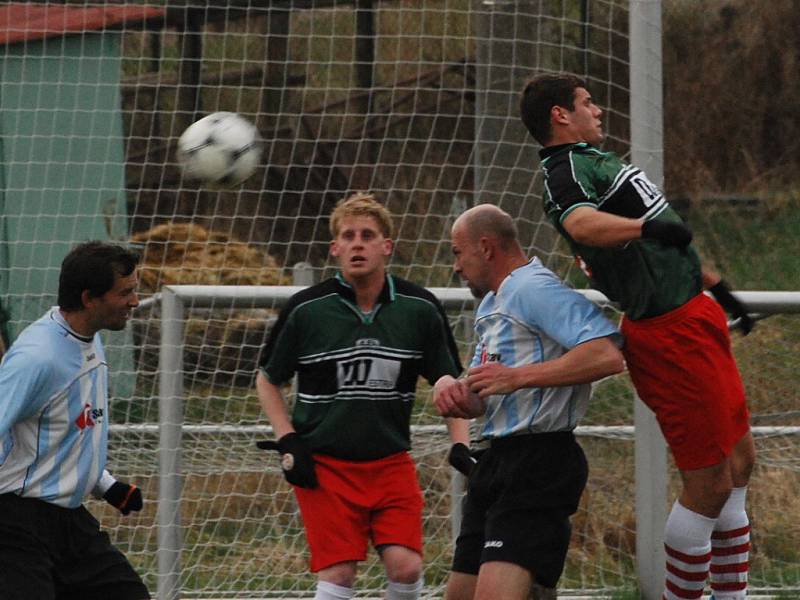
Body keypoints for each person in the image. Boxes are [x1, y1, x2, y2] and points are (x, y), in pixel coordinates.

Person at [519, 73, 756, 600]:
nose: (597, 109)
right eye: (585, 102)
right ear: (560, 115)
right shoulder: (565, 169)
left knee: (741, 464)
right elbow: (581, 225)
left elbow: (661, 237)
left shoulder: (598, 160)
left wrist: (714, 283)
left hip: (695, 315)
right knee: (709, 483)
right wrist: (647, 230)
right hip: (667, 336)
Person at [255, 192, 468, 600]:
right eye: (348, 236)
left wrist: (461, 445)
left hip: (390, 463)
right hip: (326, 465)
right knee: (339, 573)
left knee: (407, 567)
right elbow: (268, 380)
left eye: (367, 235)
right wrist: (288, 439)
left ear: (386, 246)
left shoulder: (418, 308)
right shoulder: (307, 310)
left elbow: (449, 384)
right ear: (334, 248)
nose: (357, 243)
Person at [433, 204, 625, 600]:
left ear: (486, 248)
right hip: (495, 461)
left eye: (457, 252)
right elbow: (487, 393)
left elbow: (607, 354)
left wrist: (517, 377)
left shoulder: (533, 287)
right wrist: (455, 392)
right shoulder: (491, 304)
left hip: (540, 462)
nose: (456, 266)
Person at [0, 241, 148, 600]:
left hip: (69, 521)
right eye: (125, 293)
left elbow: (69, 427)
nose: (135, 301)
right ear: (88, 298)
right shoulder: (38, 359)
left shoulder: (88, 337)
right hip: (16, 522)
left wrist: (106, 484)